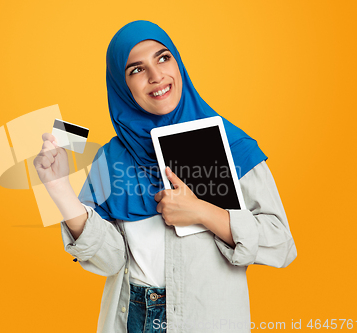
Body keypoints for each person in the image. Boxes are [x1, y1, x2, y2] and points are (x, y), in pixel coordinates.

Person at [33, 20, 296, 333]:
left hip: (205, 322)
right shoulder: (110, 158)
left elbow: (280, 244)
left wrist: (202, 211)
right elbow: (110, 261)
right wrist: (59, 189)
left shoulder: (230, 144)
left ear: (178, 63)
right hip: (131, 319)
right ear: (121, 85)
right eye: (136, 70)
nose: (157, 76)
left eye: (163, 58)